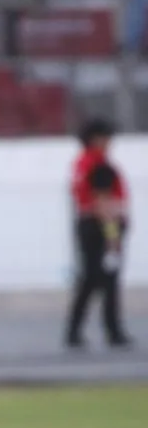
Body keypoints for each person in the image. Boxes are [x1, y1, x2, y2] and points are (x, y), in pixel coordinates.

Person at [64, 117, 133, 349]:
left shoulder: (82, 164)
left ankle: (75, 330)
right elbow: (102, 202)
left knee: (92, 279)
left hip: (89, 225)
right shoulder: (98, 165)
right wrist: (113, 236)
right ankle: (111, 331)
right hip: (101, 227)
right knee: (104, 280)